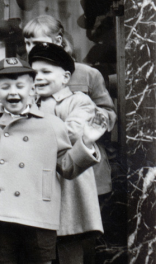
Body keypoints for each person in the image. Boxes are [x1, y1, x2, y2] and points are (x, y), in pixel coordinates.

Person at [0, 57, 107, 264]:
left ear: (33, 91)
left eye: (20, 86)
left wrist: (86, 141)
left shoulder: (52, 125)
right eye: (5, 87)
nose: (13, 92)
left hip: (39, 214)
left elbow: (67, 167)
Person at [22, 14, 116, 195]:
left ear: (57, 40)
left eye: (36, 43)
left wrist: (87, 116)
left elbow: (108, 113)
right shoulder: (29, 73)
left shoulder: (88, 73)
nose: (30, 49)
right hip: (45, 162)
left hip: (83, 158)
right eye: (27, 43)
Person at [29, 43, 105, 264]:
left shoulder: (80, 101)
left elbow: (71, 132)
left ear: (65, 77)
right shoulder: (28, 102)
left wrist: (28, 132)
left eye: (45, 72)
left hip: (69, 187)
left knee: (68, 246)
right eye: (33, 73)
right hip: (36, 189)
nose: (38, 78)